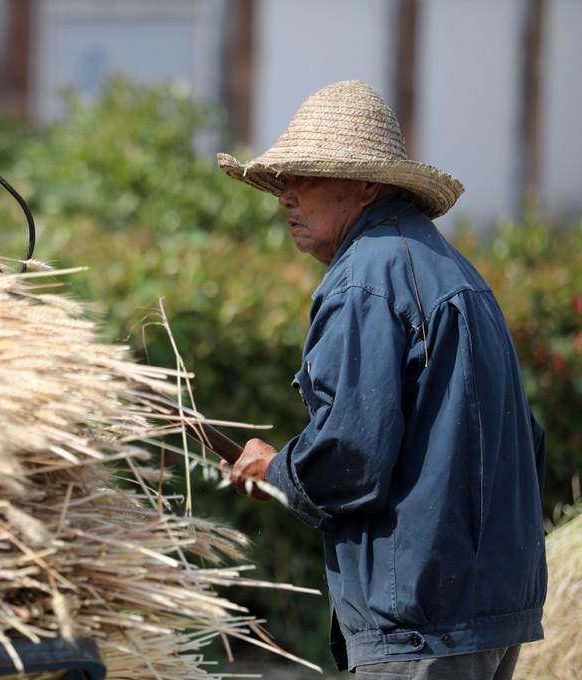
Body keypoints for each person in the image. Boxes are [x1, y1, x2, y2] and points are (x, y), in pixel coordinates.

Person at [217, 80, 547, 679]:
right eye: (283, 180)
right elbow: (529, 440)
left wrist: (275, 468)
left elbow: (350, 458)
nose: (286, 196)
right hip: (491, 615)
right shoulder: (456, 273)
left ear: (365, 184)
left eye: (306, 177)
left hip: (419, 624)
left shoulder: (365, 281)